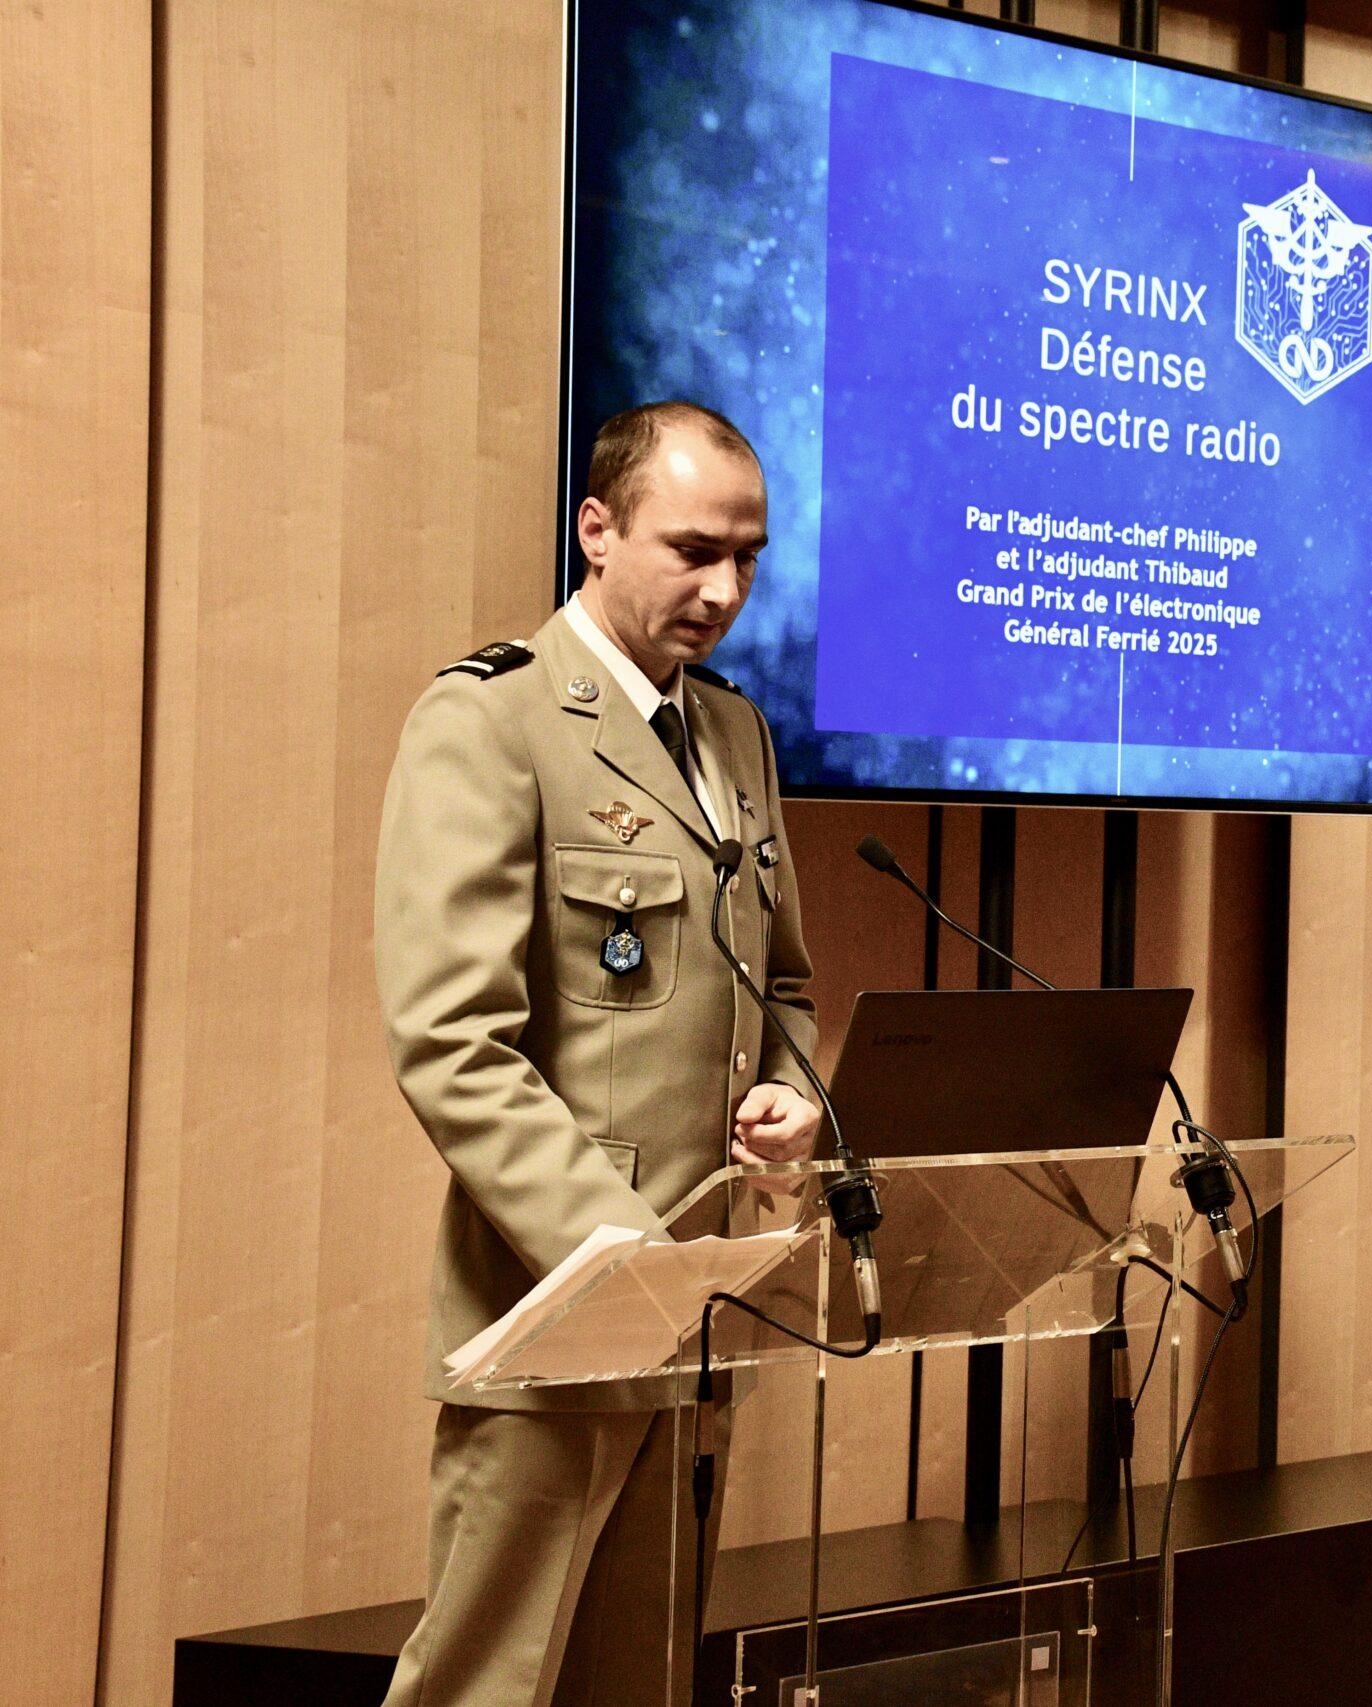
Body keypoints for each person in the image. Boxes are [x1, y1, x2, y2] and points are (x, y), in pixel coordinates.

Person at [373, 400, 823, 1706]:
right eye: (692, 550)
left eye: (747, 558)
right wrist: (621, 1260)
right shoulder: (492, 718)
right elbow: (452, 1041)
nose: (723, 590)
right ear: (597, 529)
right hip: (559, 1316)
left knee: (641, 1681)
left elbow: (783, 980)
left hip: (700, 1314)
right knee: (488, 1684)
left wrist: (789, 1089)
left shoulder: (733, 732)